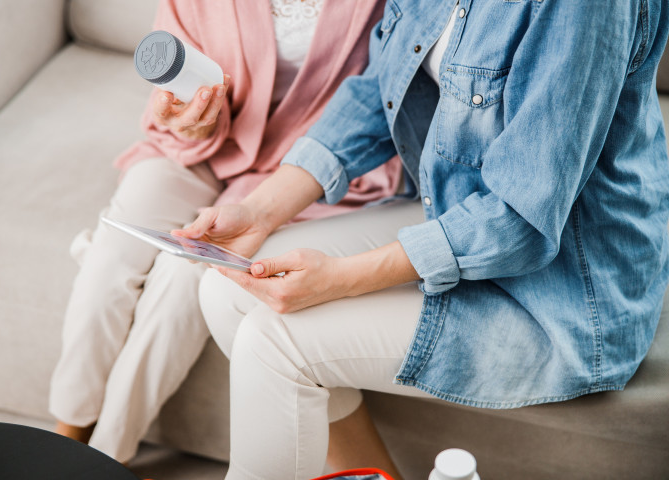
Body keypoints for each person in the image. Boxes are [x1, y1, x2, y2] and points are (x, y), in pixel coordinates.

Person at [177, 0, 669, 478]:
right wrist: (259, 212)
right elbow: (379, 87)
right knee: (225, 289)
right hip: (456, 211)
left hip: (561, 287)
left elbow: (522, 216)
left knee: (273, 342)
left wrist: (341, 279)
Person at [48, 0, 401, 463]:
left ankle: (107, 460)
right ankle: (64, 439)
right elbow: (172, 88)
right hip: (206, 146)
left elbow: (385, 92)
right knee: (114, 250)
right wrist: (189, 122)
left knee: (186, 276)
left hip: (308, 166)